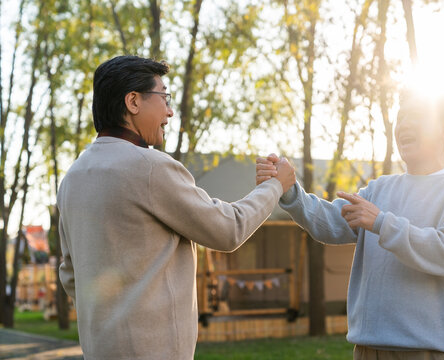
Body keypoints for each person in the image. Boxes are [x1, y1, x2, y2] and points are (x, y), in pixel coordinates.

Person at [57, 55, 295, 360]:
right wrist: (275, 186)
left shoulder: (73, 177)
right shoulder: (150, 167)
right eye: (164, 97)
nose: (169, 111)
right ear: (133, 102)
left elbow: (69, 273)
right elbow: (227, 229)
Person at [256, 90, 444, 359]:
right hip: (368, 351)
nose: (404, 125)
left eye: (417, 117)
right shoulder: (380, 188)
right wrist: (289, 189)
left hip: (431, 351)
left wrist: (381, 223)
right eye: (401, 117)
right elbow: (329, 222)